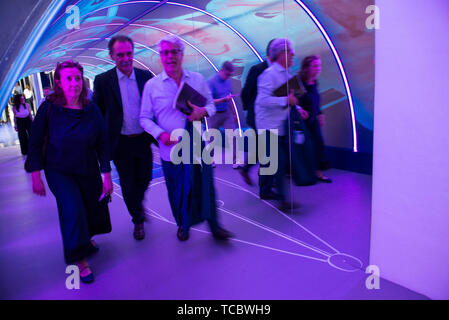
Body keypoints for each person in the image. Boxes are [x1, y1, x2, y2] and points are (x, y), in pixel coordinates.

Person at [27, 60, 113, 283]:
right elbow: (35, 142)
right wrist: (36, 176)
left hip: (86, 167)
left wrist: (106, 174)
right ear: (58, 83)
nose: (74, 83)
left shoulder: (90, 108)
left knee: (90, 206)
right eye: (68, 79)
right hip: (59, 170)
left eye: (77, 78)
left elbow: (102, 142)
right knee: (72, 209)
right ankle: (80, 259)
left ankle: (85, 238)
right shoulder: (49, 108)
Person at [140, 35, 232, 241]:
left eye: (174, 52)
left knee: (206, 186)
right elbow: (144, 118)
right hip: (170, 150)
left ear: (182, 55)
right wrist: (160, 134)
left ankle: (215, 226)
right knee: (178, 190)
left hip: (198, 145)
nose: (170, 56)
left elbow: (210, 105)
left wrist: (202, 112)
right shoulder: (152, 86)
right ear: (160, 57)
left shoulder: (197, 80)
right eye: (165, 52)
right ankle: (183, 224)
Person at [93, 35, 154, 240]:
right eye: (120, 55)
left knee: (144, 178)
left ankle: (138, 203)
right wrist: (100, 143)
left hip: (143, 139)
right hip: (120, 143)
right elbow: (98, 113)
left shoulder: (145, 77)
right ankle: (137, 220)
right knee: (128, 184)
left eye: (129, 53)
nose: (126, 58)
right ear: (112, 56)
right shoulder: (103, 81)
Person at [255, 38, 308, 211]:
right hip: (267, 124)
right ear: (280, 54)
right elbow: (262, 100)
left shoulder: (289, 75)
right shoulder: (268, 75)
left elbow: (291, 99)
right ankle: (283, 199)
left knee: (269, 160)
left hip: (280, 123)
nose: (293, 54)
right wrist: (286, 99)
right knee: (277, 160)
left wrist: (298, 107)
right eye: (290, 51)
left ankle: (265, 190)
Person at [239, 39, 277, 185]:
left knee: (264, 147)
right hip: (257, 116)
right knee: (266, 147)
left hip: (272, 116)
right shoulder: (258, 69)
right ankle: (267, 184)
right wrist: (252, 111)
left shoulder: (280, 71)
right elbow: (246, 92)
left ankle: (248, 170)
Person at [298, 55, 331, 183]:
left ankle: (318, 172)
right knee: (303, 147)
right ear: (306, 68)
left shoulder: (314, 82)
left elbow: (316, 100)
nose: (318, 69)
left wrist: (320, 113)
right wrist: (299, 110)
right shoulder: (300, 82)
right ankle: (300, 172)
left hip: (313, 119)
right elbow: (293, 101)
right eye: (315, 66)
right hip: (302, 122)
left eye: (319, 66)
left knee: (318, 144)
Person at [207, 61, 240, 168]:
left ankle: (235, 160)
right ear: (221, 70)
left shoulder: (228, 81)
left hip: (226, 113)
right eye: (227, 74)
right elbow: (209, 101)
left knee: (232, 135)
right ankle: (210, 159)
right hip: (213, 114)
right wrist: (223, 99)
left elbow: (229, 98)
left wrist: (234, 114)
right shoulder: (211, 82)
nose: (228, 77)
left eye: (230, 75)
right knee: (212, 137)